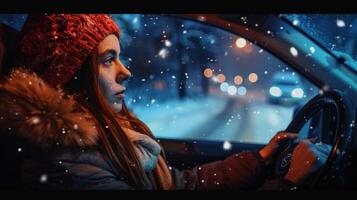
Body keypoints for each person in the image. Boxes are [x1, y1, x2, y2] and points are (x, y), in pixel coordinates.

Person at [0, 14, 331, 190]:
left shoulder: (114, 138)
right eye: (107, 60)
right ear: (71, 77)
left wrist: (259, 159)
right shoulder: (70, 169)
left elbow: (178, 184)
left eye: (121, 57)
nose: (125, 71)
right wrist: (289, 183)